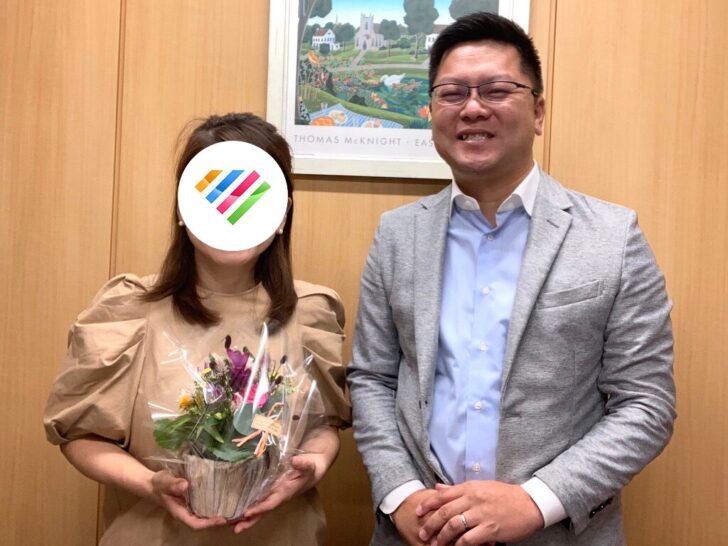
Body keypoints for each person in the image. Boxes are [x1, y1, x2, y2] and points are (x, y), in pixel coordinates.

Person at [347, 12, 675, 546]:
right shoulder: (397, 235)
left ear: (538, 111)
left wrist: (536, 500)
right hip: (417, 532)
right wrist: (399, 493)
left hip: (557, 534)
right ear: (431, 111)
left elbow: (646, 403)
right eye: (453, 93)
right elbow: (372, 378)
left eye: (497, 90)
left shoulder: (613, 237)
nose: (473, 108)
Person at [44, 112, 350, 545]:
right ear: (182, 209)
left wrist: (314, 466)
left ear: (283, 213)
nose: (232, 210)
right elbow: (80, 436)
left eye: (251, 195)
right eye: (216, 193)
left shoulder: (312, 312)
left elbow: (323, 427)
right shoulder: (127, 309)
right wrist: (150, 484)